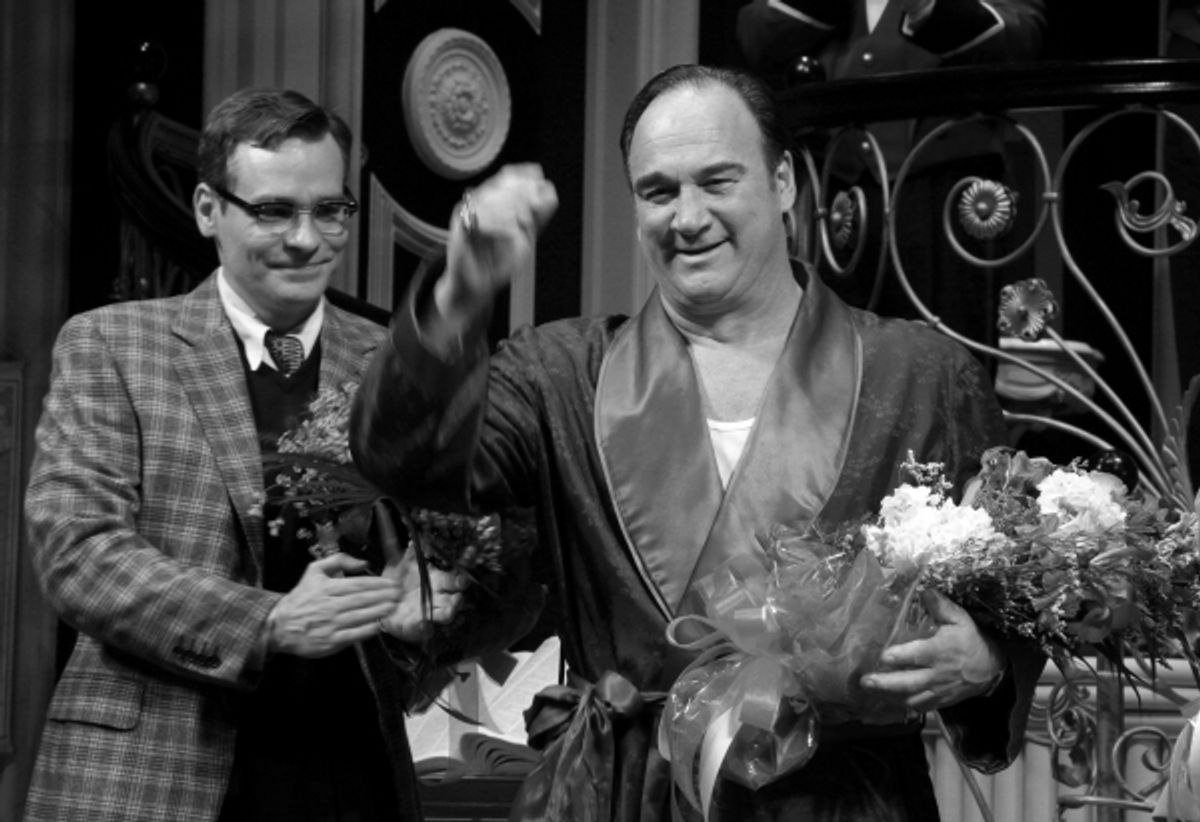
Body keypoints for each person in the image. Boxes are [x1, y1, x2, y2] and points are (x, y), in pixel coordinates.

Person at [350, 65, 1042, 821]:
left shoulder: (921, 373)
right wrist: (458, 292)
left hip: (840, 798)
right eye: (659, 191)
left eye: (717, 181)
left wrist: (985, 662)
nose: (687, 217)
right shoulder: (562, 375)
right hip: (620, 793)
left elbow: (1005, 596)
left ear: (783, 183)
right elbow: (403, 459)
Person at [23, 87, 481, 822]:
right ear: (210, 210)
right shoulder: (112, 344)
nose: (307, 238)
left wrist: (426, 606)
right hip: (153, 773)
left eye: (329, 210)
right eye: (273, 211)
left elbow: (445, 556)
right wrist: (268, 622)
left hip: (346, 767)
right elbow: (80, 554)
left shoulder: (388, 362)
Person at [736, 0, 1046, 345]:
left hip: (944, 189)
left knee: (944, 358)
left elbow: (1021, 35)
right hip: (837, 189)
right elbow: (757, 32)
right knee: (840, 361)